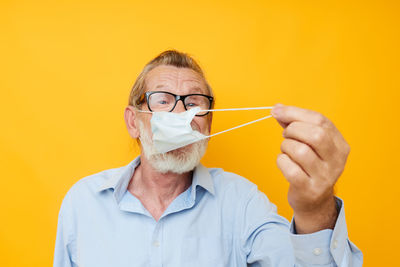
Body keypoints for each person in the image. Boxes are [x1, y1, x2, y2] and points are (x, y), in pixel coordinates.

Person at [53, 50, 363, 266]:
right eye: (163, 100)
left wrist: (315, 207)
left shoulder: (242, 202)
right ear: (134, 122)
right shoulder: (83, 203)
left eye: (194, 102)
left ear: (208, 124)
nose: (182, 113)